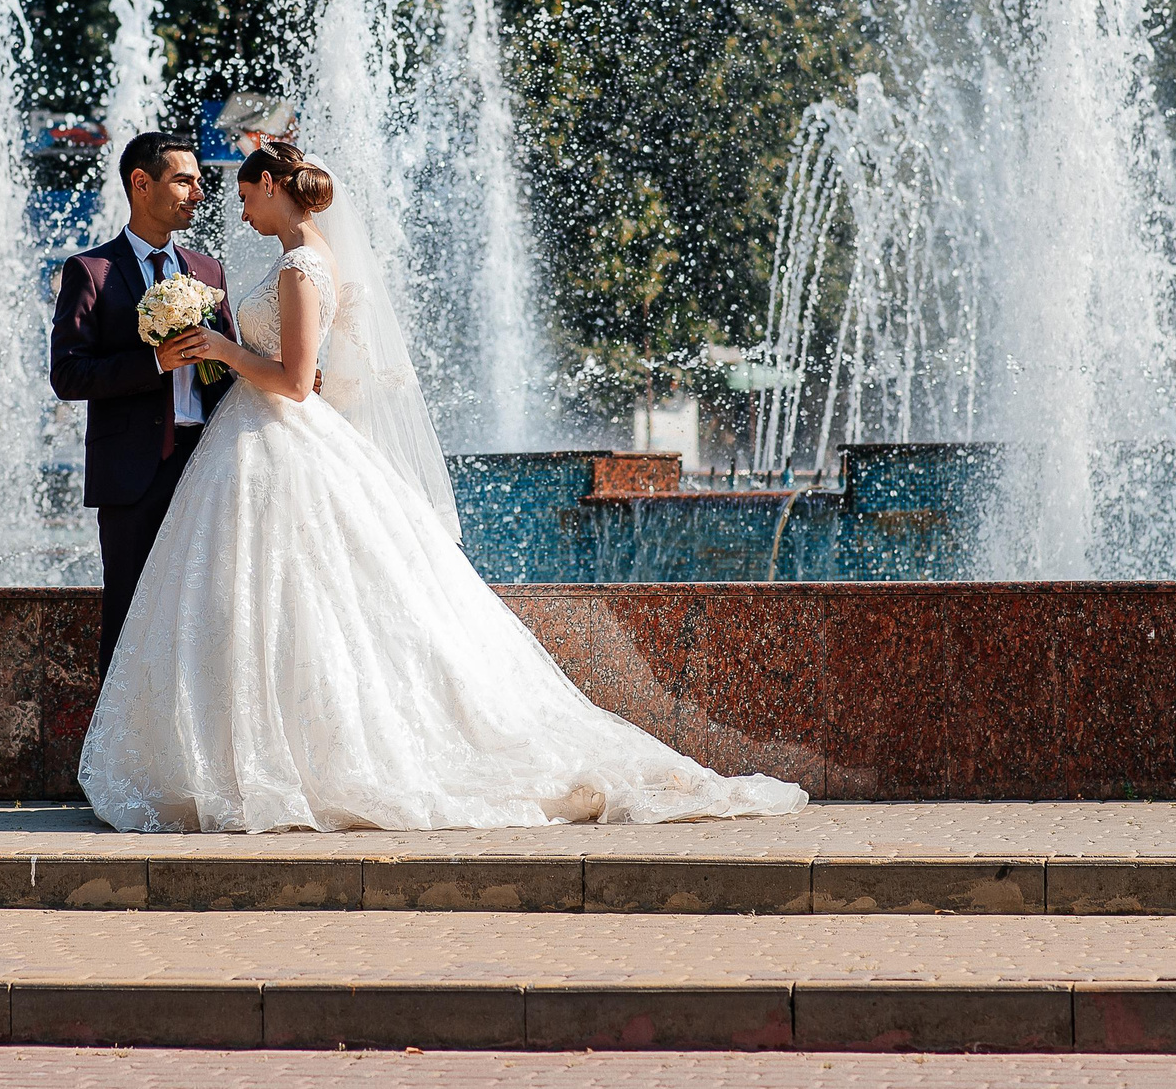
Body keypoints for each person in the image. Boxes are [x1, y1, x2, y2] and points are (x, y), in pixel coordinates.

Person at [77, 140, 805, 832]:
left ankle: (289, 758)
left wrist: (222, 348)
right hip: (253, 441)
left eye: (245, 194)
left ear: (272, 187)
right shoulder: (303, 258)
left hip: (275, 434)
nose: (237, 211)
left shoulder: (302, 266)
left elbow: (296, 383)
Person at [49, 130, 235, 674]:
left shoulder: (208, 272)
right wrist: (156, 362)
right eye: (184, 181)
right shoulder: (92, 272)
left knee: (209, 613)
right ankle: (113, 757)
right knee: (129, 615)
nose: (198, 193)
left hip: (210, 465)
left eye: (199, 182)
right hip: (132, 471)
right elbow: (68, 374)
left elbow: (226, 370)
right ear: (141, 184)